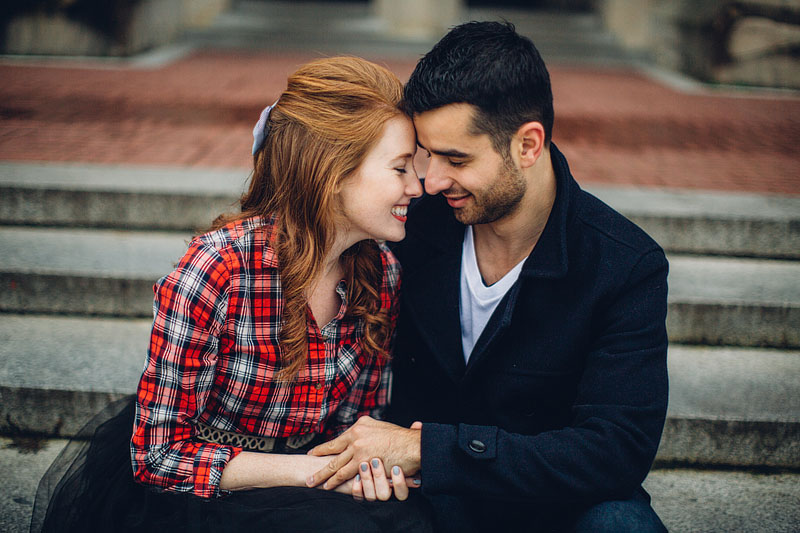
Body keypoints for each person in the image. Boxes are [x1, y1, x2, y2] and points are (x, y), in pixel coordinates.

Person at [31, 56, 432, 533]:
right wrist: (313, 474)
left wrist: (367, 472)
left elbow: (358, 422)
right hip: (207, 483)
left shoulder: (380, 273)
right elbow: (158, 454)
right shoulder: (218, 270)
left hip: (310, 476)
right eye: (401, 169)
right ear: (333, 173)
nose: (418, 187)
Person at [306, 22, 670, 532]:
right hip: (425, 501)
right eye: (427, 154)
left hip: (554, 504)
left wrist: (427, 449)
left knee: (623, 526)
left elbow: (615, 451)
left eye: (457, 159)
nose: (431, 180)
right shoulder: (411, 223)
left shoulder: (623, 264)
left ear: (528, 145)